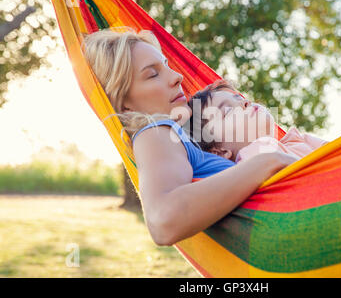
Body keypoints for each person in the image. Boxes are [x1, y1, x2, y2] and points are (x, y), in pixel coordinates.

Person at [82, 28, 297, 246]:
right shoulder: (154, 132)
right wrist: (270, 161)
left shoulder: (185, 141)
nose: (177, 77)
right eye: (153, 74)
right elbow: (163, 222)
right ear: (124, 104)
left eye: (166, 65)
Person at [186, 80, 328, 163]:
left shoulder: (298, 140)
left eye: (240, 99)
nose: (245, 102)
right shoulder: (252, 158)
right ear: (220, 152)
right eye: (228, 111)